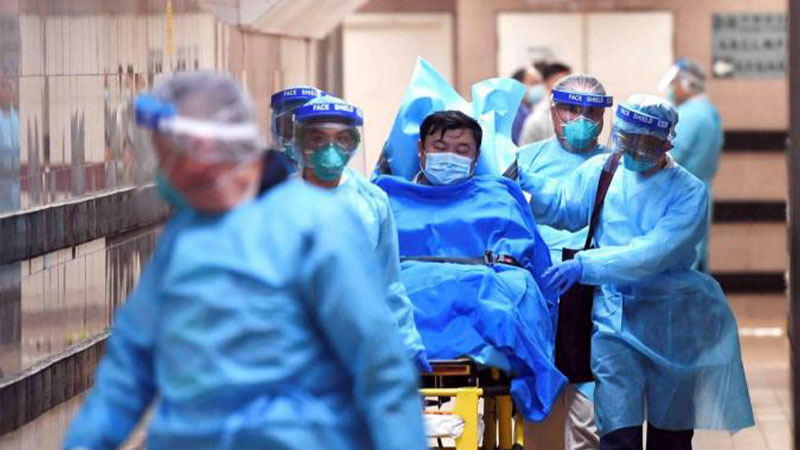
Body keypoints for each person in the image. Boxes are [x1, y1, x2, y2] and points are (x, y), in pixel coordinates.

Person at [63, 72, 427, 450]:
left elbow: (379, 367)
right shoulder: (184, 237)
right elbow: (131, 362)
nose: (160, 172)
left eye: (166, 156)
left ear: (201, 150)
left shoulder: (316, 227)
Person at [518, 95, 754, 450]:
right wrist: (526, 181)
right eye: (625, 139)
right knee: (617, 428)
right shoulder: (606, 171)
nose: (631, 150)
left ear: (667, 144)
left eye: (643, 143)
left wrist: (585, 265)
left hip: (671, 321)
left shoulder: (689, 192)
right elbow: (565, 207)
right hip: (613, 319)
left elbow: (652, 253)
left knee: (670, 433)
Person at [284, 93, 430, 371]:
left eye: (341, 139)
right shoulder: (277, 200)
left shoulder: (372, 200)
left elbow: (388, 281)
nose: (330, 148)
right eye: (318, 138)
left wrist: (408, 343)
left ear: (353, 144)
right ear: (301, 143)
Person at [514, 73, 613, 450]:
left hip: (595, 288)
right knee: (536, 394)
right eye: (570, 109)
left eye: (591, 113)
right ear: (553, 111)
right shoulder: (527, 160)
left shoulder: (614, 167)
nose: (580, 120)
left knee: (588, 400)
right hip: (534, 286)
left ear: (603, 118)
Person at [659, 58, 722, 272]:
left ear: (687, 84)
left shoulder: (689, 116)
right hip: (700, 194)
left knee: (681, 265)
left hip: (681, 198)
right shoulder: (709, 112)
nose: (671, 89)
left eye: (674, 83)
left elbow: (668, 157)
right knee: (696, 259)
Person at [414, 110, 482, 186]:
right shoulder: (403, 192)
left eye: (462, 150)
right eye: (440, 147)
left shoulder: (490, 192)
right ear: (421, 148)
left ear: (476, 156)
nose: (449, 159)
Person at [519, 62, 572, 146]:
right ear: (547, 84)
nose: (568, 88)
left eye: (570, 82)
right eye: (561, 83)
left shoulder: (580, 113)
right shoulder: (537, 120)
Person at [511, 65, 545, 145]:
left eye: (539, 83)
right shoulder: (514, 114)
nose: (539, 88)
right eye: (534, 83)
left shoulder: (529, 110)